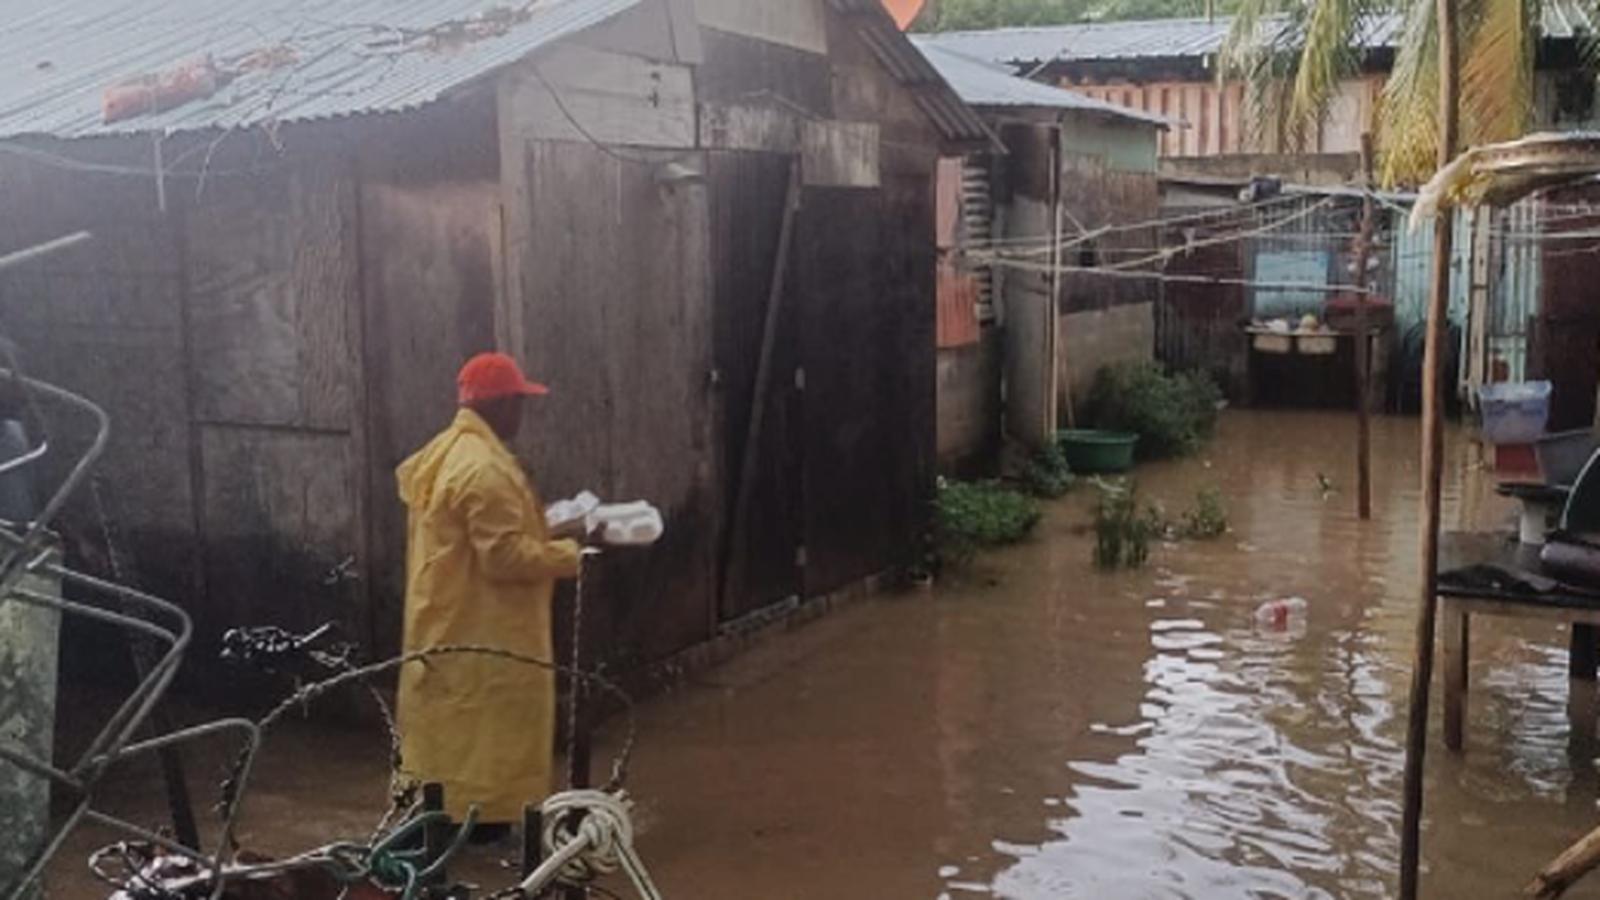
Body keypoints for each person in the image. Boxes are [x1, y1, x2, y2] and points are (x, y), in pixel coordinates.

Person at [394, 352, 582, 836]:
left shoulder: (449, 452)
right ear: (500, 405)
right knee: (488, 740)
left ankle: (446, 823)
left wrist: (544, 527)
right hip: (486, 631)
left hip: (451, 620)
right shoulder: (485, 470)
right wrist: (570, 555)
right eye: (519, 403)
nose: (522, 414)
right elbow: (503, 557)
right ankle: (479, 824)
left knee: (451, 740)